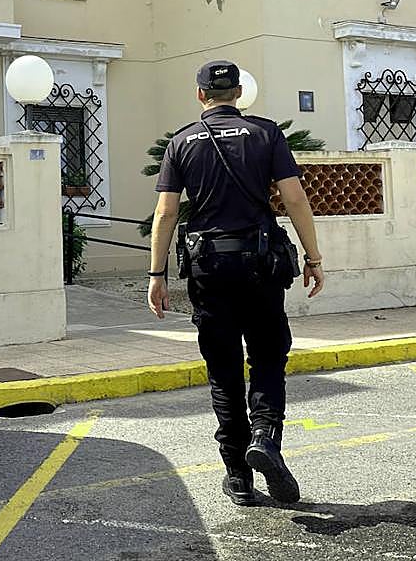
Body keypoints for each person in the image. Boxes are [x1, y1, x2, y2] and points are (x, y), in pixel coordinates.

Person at [147, 60, 326, 507]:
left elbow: (167, 213)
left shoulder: (181, 142)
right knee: (267, 357)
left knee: (223, 372)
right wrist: (314, 257)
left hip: (209, 269)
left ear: (200, 95)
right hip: (261, 265)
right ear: (239, 92)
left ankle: (238, 478)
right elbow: (295, 197)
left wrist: (156, 275)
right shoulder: (266, 133)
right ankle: (265, 438)